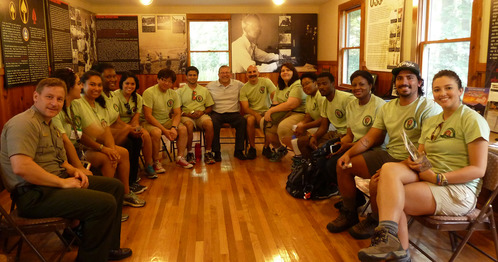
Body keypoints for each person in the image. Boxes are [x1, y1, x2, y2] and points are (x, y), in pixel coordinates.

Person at [357, 70, 490, 261]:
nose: (442, 93)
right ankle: (392, 243)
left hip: (458, 189)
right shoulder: (432, 121)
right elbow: (421, 157)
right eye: (437, 89)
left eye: (448, 88)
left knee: (394, 198)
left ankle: (396, 249)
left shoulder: (472, 119)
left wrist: (438, 177)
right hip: (430, 176)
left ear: (460, 90)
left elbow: (478, 169)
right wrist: (403, 167)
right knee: (387, 171)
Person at [0, 78, 132, 261]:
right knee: (104, 203)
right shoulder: (23, 123)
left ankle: (108, 247)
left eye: (59, 99)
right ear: (35, 97)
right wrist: (63, 183)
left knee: (114, 187)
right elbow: (21, 166)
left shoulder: (50, 124)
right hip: (33, 195)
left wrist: (73, 171)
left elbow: (59, 161)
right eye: (49, 97)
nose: (54, 103)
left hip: (50, 186)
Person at [327, 61, 441, 239]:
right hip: (389, 154)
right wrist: (348, 154)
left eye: (410, 78)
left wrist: (393, 168)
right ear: (394, 83)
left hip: (413, 164)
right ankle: (349, 213)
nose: (404, 82)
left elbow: (427, 151)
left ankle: (376, 220)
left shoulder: (428, 107)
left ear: (419, 82)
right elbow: (370, 137)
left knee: (377, 182)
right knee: (344, 166)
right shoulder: (388, 107)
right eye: (399, 78)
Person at [72, 70, 146, 207]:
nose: (97, 88)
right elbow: (80, 136)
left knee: (122, 153)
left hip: (96, 144)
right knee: (108, 158)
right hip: (83, 148)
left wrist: (112, 149)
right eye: (92, 85)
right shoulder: (78, 104)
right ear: (82, 85)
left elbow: (105, 131)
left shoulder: (99, 103)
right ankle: (109, 201)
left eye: (99, 85)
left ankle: (125, 193)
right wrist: (104, 149)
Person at [92, 63, 145, 194]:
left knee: (136, 138)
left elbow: (117, 120)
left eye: (114, 76)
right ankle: (125, 184)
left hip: (112, 131)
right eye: (108, 76)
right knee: (128, 143)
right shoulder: (97, 98)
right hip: (100, 137)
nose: (113, 79)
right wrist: (127, 129)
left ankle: (132, 180)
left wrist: (130, 128)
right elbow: (102, 127)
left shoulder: (112, 96)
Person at [142, 68, 192, 169]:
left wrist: (173, 127)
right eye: (164, 80)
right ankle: (156, 161)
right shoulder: (149, 92)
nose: (166, 83)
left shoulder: (173, 94)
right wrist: (164, 130)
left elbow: (177, 113)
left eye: (169, 81)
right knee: (156, 132)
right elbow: (148, 116)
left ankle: (180, 158)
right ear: (158, 79)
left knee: (182, 128)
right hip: (149, 122)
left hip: (165, 120)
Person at [113, 71, 158, 178]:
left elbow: (136, 119)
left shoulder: (138, 97)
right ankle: (129, 166)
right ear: (122, 84)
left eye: (132, 84)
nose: (130, 86)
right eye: (127, 83)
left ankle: (148, 165)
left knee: (145, 135)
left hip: (131, 125)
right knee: (130, 139)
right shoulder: (114, 96)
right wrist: (128, 129)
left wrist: (135, 128)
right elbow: (116, 119)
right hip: (117, 125)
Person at [260, 63, 307, 162]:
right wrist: (270, 112)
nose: (285, 72)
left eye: (288, 70)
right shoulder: (280, 86)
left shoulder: (297, 84)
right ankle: (280, 149)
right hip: (285, 113)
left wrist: (271, 111)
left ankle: (301, 156)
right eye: (282, 71)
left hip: (299, 113)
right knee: (264, 122)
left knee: (283, 127)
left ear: (293, 72)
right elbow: (275, 103)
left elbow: (292, 104)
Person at [206, 65, 247, 161]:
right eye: (222, 73)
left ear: (231, 74)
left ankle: (239, 150)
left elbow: (250, 88)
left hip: (233, 113)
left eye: (227, 72)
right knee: (213, 124)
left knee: (242, 121)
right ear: (218, 75)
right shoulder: (210, 86)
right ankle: (216, 152)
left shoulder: (238, 84)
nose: (225, 75)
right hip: (217, 113)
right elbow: (202, 96)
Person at [178, 66, 216, 164]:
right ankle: (190, 153)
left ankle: (208, 152)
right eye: (190, 75)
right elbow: (177, 108)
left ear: (197, 76)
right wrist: (186, 114)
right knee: (189, 125)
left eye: (194, 75)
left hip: (201, 114)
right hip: (186, 115)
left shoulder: (204, 90)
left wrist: (202, 112)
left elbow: (209, 107)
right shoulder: (180, 91)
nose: (192, 77)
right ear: (186, 77)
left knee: (209, 124)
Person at [239, 65, 277, 159]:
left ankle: (266, 147)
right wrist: (256, 115)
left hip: (266, 111)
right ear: (246, 75)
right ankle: (252, 148)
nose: (252, 74)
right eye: (250, 72)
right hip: (252, 112)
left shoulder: (266, 81)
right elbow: (245, 108)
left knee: (269, 118)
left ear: (258, 73)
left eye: (254, 72)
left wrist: (272, 109)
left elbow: (275, 96)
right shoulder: (244, 89)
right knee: (250, 120)